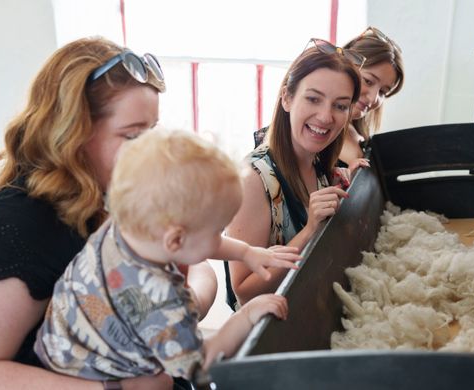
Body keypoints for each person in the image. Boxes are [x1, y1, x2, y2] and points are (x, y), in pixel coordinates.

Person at [0, 37, 208, 389]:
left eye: (153, 131)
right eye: (132, 137)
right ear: (73, 133)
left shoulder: (113, 193)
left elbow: (193, 265)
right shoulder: (10, 226)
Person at [35, 129, 291, 386]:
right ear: (176, 240)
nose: (220, 237)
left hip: (60, 347)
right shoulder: (164, 305)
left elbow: (196, 240)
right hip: (98, 374)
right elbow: (202, 359)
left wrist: (245, 252)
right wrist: (246, 316)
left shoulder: (124, 226)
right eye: (218, 231)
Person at [225, 39, 369, 307]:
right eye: (313, 99)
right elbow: (244, 293)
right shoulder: (252, 180)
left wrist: (352, 190)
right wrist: (310, 230)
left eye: (340, 105)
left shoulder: (320, 165)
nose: (326, 117)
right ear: (287, 98)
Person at [339, 26, 405, 167]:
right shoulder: (315, 134)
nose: (373, 99)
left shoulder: (359, 134)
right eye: (368, 81)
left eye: (383, 92)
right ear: (343, 66)